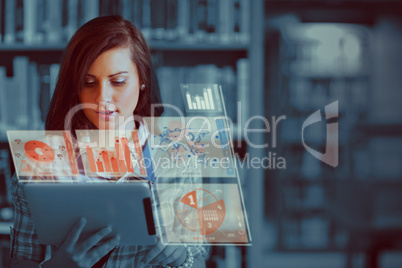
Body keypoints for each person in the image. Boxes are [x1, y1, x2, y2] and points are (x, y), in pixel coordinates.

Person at [10, 16, 208, 268]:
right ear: (75, 87)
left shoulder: (178, 157)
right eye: (89, 83)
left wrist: (181, 256)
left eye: (118, 82)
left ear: (142, 80)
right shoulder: (39, 165)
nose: (102, 98)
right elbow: (21, 262)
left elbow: (198, 260)